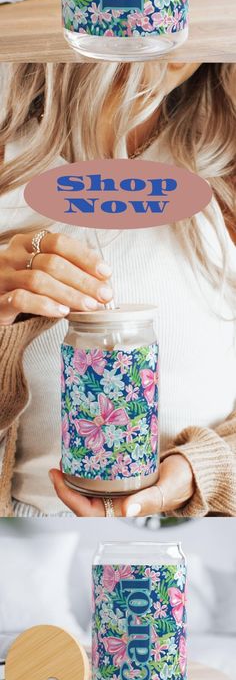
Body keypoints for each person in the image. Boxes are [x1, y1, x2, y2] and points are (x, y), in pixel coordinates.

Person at [0, 61, 235, 518]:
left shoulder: (223, 165)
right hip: (23, 551)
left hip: (195, 548)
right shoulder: (9, 151)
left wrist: (202, 470)